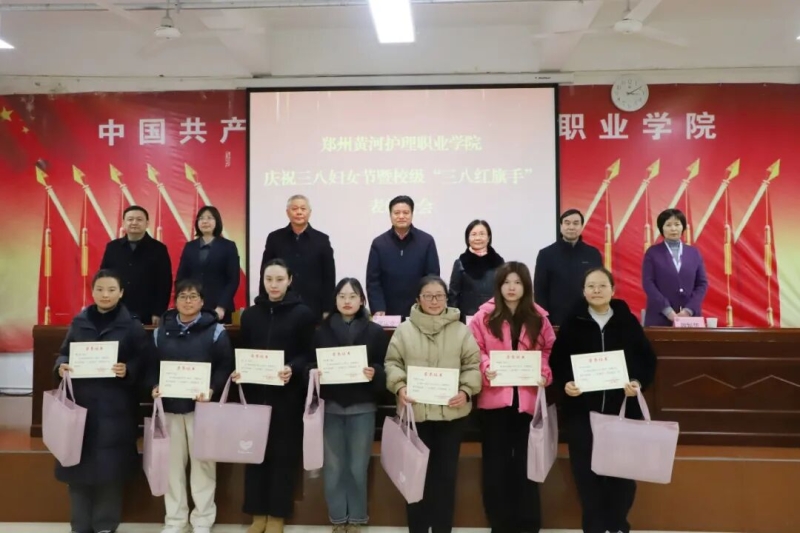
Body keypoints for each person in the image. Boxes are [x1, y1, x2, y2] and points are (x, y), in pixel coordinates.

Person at [549, 267, 657, 533]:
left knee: (622, 474)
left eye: (602, 286)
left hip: (622, 411)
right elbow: (558, 361)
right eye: (591, 286)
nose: (596, 290)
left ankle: (618, 524)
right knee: (586, 473)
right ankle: (594, 526)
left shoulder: (627, 321)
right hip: (582, 413)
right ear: (583, 291)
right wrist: (566, 383)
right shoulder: (573, 322)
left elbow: (647, 359)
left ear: (613, 290)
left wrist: (637, 383)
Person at [54, 269, 151, 533]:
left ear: (121, 293)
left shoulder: (132, 326)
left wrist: (127, 369)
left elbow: (144, 363)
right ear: (92, 292)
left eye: (111, 290)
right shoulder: (79, 322)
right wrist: (61, 367)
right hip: (80, 407)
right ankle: (80, 525)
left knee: (111, 472)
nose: (105, 294)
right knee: (77, 468)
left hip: (116, 409)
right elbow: (64, 353)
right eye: (100, 289)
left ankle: (106, 525)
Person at [385, 275, 482, 533]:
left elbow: (473, 365)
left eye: (439, 295)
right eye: (427, 296)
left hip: (452, 416)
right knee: (415, 477)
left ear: (447, 298)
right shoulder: (404, 330)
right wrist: (400, 386)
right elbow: (392, 363)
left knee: (445, 478)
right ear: (418, 299)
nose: (434, 301)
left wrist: (466, 391)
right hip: (416, 416)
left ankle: (441, 528)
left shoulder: (461, 330)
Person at [469, 262, 555, 533]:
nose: (512, 287)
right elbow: (474, 350)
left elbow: (548, 351)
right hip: (495, 403)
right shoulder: (482, 317)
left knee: (526, 465)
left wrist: (543, 372)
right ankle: (499, 524)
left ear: (526, 286)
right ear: (499, 286)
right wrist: (486, 367)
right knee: (495, 467)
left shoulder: (539, 318)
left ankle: (528, 524)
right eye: (506, 282)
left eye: (517, 282)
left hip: (527, 403)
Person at [237, 259, 317, 533]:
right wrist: (239, 370)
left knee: (283, 456)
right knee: (254, 454)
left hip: (287, 396)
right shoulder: (250, 314)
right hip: (255, 395)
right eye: (269, 279)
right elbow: (243, 351)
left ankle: (278, 514)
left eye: (279, 279)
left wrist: (292, 368)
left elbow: (308, 354)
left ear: (289, 280)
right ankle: (257, 513)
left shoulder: (303, 314)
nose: (273, 285)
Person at [149, 279, 234, 533]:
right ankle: (175, 520)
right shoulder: (160, 331)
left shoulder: (216, 331)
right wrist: (153, 386)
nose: (188, 301)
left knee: (203, 466)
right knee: (171, 468)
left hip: (202, 410)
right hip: (169, 408)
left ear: (202, 301)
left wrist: (212, 389)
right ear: (175, 301)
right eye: (183, 296)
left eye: (193, 296)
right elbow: (149, 367)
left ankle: (202, 519)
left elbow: (225, 366)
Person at [311, 277, 389, 533]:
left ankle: (356, 518)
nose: (347, 301)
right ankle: (337, 518)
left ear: (362, 300)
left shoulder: (375, 331)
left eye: (353, 296)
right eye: (342, 296)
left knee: (357, 466)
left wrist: (374, 372)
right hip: (331, 406)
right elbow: (309, 364)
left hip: (362, 407)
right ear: (335, 300)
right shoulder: (321, 331)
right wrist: (315, 372)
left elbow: (385, 368)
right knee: (334, 467)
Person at [259, 195, 336, 321]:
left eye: (303, 208)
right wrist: (263, 304)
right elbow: (265, 272)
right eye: (294, 208)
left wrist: (328, 309)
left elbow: (329, 278)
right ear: (287, 212)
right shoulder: (275, 238)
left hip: (313, 306)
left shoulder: (322, 240)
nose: (299, 212)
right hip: (281, 306)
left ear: (309, 212)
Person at [367, 196, 440, 317]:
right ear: (390, 215)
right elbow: (373, 281)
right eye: (396, 213)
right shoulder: (379, 243)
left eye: (406, 212)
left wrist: (427, 306)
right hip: (387, 311)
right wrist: (378, 307)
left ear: (412, 214)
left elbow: (432, 278)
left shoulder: (426, 241)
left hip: (419, 310)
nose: (401, 216)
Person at [100, 205, 172, 326]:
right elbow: (103, 278)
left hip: (147, 311)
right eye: (130, 219)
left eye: (139, 219)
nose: (134, 222)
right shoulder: (113, 247)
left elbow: (164, 283)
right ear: (123, 223)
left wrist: (158, 312)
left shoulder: (159, 249)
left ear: (147, 223)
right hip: (115, 309)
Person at [533, 209, 603, 326]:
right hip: (556, 320)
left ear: (581, 227)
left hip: (588, 318)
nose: (571, 227)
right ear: (561, 226)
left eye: (576, 223)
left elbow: (599, 285)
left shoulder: (593, 254)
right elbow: (540, 290)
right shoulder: (546, 254)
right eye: (567, 223)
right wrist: (545, 320)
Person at [642, 208, 709, 326]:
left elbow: (702, 284)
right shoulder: (652, 253)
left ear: (683, 227)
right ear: (661, 228)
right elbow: (648, 283)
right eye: (668, 225)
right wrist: (667, 310)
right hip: (660, 317)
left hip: (690, 319)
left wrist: (688, 310)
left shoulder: (694, 253)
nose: (673, 229)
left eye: (677, 224)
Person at [176, 206, 240, 324]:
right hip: (192, 307)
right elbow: (181, 278)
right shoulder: (190, 247)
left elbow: (233, 280)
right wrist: (184, 302)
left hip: (218, 309)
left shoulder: (228, 246)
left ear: (217, 221)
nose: (205, 221)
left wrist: (222, 306)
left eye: (209, 218)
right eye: (201, 218)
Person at [449, 219, 505, 320]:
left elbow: (504, 293)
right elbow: (453, 296)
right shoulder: (460, 263)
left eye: (482, 234)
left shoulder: (499, 262)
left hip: (494, 317)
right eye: (473, 234)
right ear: (468, 239)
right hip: (468, 318)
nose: (478, 238)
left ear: (488, 238)